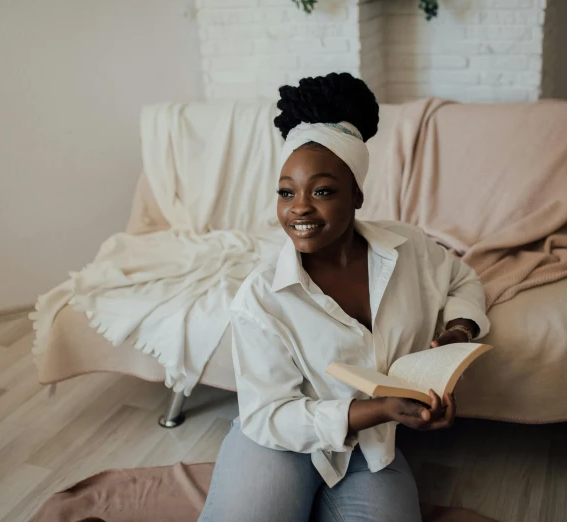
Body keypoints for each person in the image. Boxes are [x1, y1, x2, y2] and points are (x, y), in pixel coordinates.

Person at [198, 72, 490, 522]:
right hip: (277, 443)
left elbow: (462, 280)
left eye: (322, 191)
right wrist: (373, 409)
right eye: (286, 192)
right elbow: (268, 415)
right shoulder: (261, 297)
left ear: (356, 194)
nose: (299, 207)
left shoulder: (408, 249)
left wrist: (458, 328)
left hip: (369, 449)